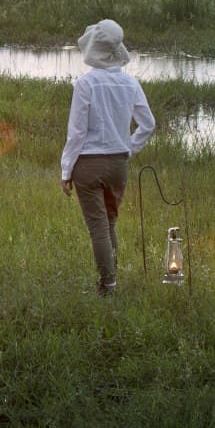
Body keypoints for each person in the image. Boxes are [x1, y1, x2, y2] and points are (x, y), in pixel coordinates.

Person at [59, 19, 156, 296]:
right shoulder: (130, 82)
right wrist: (128, 148)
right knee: (109, 223)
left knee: (98, 227)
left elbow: (76, 133)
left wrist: (66, 171)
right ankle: (111, 278)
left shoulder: (86, 84)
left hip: (88, 165)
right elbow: (148, 124)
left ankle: (108, 284)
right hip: (118, 164)